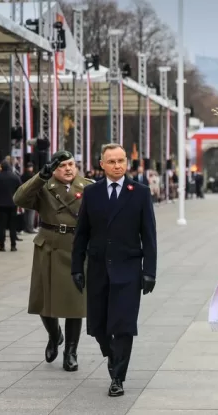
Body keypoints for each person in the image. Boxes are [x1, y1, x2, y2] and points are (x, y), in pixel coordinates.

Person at [70, 143, 158, 397]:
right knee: (98, 326)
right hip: (98, 268)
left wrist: (149, 271)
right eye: (112, 161)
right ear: (102, 164)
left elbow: (149, 235)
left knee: (123, 325)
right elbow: (82, 233)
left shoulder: (139, 192)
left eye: (121, 161)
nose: (118, 166)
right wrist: (77, 266)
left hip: (128, 269)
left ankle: (118, 377)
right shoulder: (92, 193)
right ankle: (111, 354)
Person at [13, 151, 93, 371]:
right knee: (43, 300)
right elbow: (19, 199)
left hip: (77, 248)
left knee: (75, 304)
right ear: (53, 168)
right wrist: (40, 176)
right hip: (49, 247)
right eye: (62, 166)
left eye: (71, 164)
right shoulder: (44, 187)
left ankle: (71, 351)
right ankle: (54, 334)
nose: (68, 169)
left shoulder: (89, 187)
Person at [0, 160, 22, 251]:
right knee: (12, 226)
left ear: (1, 168)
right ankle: (13, 245)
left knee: (1, 226)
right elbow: (20, 190)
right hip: (13, 204)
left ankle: (2, 245)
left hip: (0, 205)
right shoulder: (15, 177)